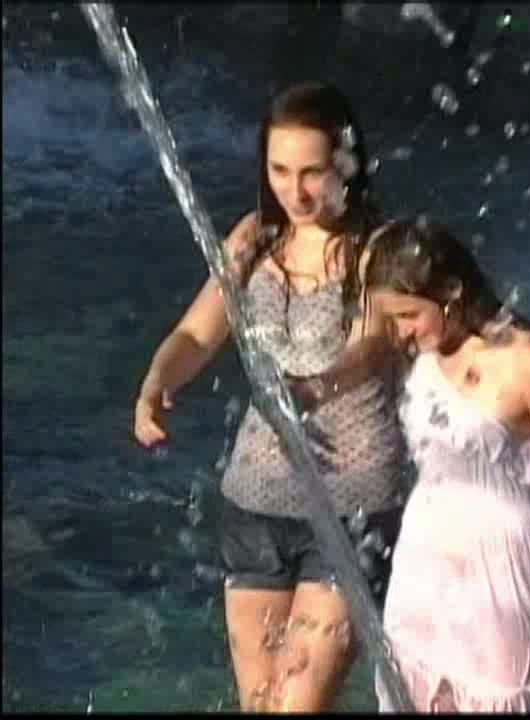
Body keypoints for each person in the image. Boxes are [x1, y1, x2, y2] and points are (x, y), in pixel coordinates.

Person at [131, 82, 408, 712]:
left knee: (296, 708)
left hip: (352, 510)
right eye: (280, 171)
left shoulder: (379, 250)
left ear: (346, 164)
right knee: (260, 705)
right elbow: (197, 333)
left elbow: (370, 347)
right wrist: (156, 382)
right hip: (254, 505)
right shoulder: (253, 239)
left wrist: (311, 387)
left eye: (312, 172)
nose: (295, 191)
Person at [359, 218, 530, 712]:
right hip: (422, 569)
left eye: (408, 315)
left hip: (504, 577)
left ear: (451, 291)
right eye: (392, 318)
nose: (398, 333)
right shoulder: (424, 352)